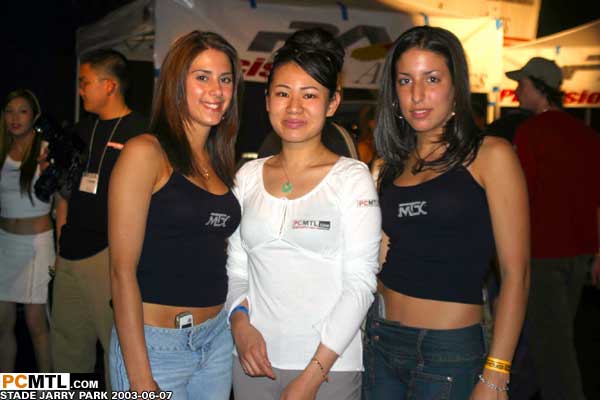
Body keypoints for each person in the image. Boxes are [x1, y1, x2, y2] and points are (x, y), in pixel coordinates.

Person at [363, 26, 530, 400]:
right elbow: (379, 259)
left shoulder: (490, 156)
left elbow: (516, 275)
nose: (417, 95)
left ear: (456, 87)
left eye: (432, 79)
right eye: (405, 80)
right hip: (380, 341)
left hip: (448, 353)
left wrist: (496, 373)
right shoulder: (387, 165)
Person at [226, 28, 381, 400]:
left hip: (329, 369)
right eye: (283, 93)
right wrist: (240, 326)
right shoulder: (246, 177)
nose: (294, 107)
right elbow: (236, 271)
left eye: (309, 95)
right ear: (267, 100)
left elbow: (361, 284)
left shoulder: (352, 178)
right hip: (251, 362)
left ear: (332, 103)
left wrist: (313, 375)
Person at [108, 31, 242, 398]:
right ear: (176, 83)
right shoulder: (145, 152)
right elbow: (120, 271)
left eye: (225, 79)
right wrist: (140, 380)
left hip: (215, 341)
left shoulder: (219, 161)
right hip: (154, 348)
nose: (216, 90)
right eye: (202, 77)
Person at [50, 49, 148, 380]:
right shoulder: (80, 131)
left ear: (109, 85)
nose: (80, 90)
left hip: (110, 257)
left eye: (85, 82)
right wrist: (60, 244)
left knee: (116, 351)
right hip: (69, 254)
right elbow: (64, 193)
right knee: (66, 350)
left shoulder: (142, 132)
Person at [508, 57, 600, 400]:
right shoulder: (587, 134)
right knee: (548, 340)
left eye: (522, 84)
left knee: (554, 350)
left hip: (543, 254)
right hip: (579, 253)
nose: (517, 91)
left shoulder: (530, 132)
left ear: (538, 87)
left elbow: (520, 197)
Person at [0, 89, 53, 372]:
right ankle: (7, 388)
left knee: (36, 324)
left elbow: (63, 197)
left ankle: (47, 390)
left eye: (22, 111)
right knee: (2, 323)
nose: (15, 118)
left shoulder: (46, 149)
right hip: (4, 243)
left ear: (34, 116)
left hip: (37, 244)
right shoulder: (1, 148)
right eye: (9, 111)